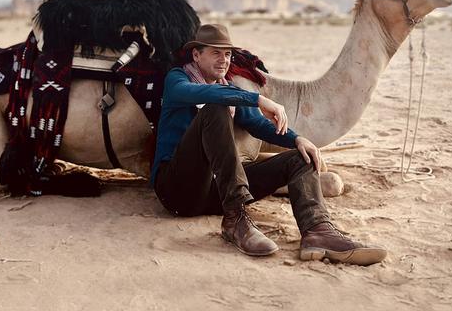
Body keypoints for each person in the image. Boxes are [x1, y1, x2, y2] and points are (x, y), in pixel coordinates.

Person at [152, 23, 386, 265]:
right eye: (215, 53)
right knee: (216, 108)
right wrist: (258, 99)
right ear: (196, 55)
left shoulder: (226, 90)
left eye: (228, 54)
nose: (224, 60)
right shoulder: (178, 80)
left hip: (215, 192)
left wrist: (297, 138)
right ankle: (235, 219)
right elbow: (201, 94)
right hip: (177, 190)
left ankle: (318, 232)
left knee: (300, 157)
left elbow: (259, 125)